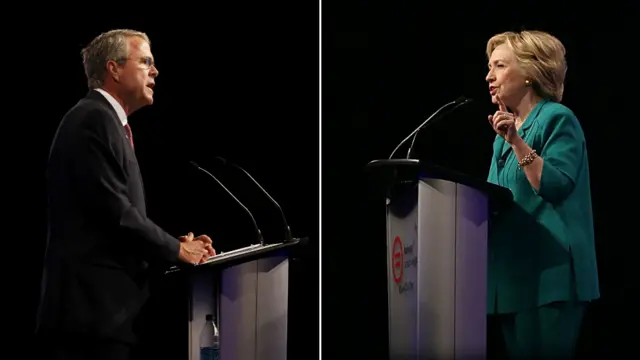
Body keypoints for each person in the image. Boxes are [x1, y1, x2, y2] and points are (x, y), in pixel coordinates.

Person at [35, 29, 215, 360]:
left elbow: (107, 219)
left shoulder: (107, 122)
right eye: (145, 61)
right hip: (89, 320)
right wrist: (176, 249)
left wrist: (175, 246)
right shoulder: (93, 119)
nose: (155, 71)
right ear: (114, 69)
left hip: (103, 318)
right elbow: (117, 213)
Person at [485, 30, 600, 358]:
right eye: (490, 66)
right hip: (512, 279)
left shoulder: (557, 119)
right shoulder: (502, 137)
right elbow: (494, 200)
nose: (489, 75)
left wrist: (517, 142)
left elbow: (553, 184)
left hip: (552, 274)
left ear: (529, 74)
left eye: (499, 65)